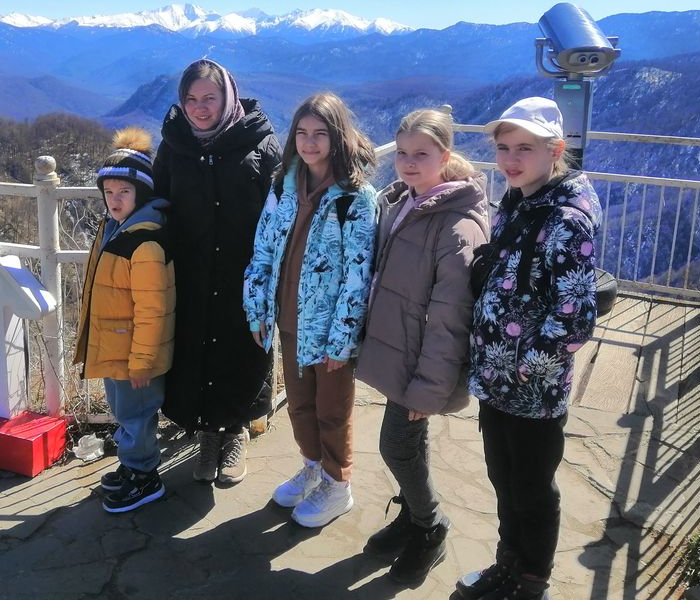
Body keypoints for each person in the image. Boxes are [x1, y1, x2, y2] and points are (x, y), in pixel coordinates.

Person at [458, 97, 601, 600]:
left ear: (554, 151)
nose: (511, 159)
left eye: (525, 148)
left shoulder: (566, 220)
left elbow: (575, 317)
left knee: (532, 489)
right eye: (504, 148)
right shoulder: (519, 201)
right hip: (497, 376)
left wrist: (525, 370)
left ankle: (531, 581)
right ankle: (509, 565)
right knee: (503, 477)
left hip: (532, 390)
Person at [356, 108, 489, 583]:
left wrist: (429, 388)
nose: (409, 163)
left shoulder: (456, 226)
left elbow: (452, 318)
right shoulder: (406, 202)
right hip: (403, 350)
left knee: (395, 446)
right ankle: (414, 517)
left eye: (422, 155)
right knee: (409, 442)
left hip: (421, 362)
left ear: (445, 157)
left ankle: (430, 526)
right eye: (403, 153)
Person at [243, 93, 377, 528]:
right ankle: (313, 468)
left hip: (329, 327)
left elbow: (358, 275)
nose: (310, 142)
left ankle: (338, 484)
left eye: (320, 133)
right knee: (300, 405)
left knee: (331, 410)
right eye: (302, 132)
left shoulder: (355, 198)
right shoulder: (283, 185)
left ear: (338, 138)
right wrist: (257, 309)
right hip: (288, 318)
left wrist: (343, 339)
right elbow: (263, 248)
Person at [154, 59, 282, 484]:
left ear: (228, 97)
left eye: (209, 98)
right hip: (190, 272)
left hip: (244, 274)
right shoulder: (174, 146)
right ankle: (209, 433)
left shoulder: (260, 144)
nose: (200, 108)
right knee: (196, 351)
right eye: (191, 99)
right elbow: (159, 204)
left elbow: (280, 209)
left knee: (242, 350)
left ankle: (236, 430)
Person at [73, 128, 175, 514]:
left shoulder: (144, 241)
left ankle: (144, 476)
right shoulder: (115, 228)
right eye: (109, 192)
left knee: (138, 415)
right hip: (116, 344)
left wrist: (143, 362)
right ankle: (133, 466)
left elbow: (153, 310)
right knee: (125, 412)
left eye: (124, 192)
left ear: (142, 194)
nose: (115, 200)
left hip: (135, 353)